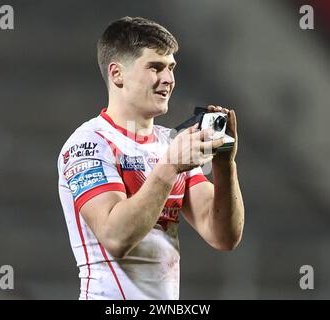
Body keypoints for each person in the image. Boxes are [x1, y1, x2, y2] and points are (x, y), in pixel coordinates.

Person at [57, 16, 244, 300]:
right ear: (117, 74)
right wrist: (169, 167)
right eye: (155, 67)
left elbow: (223, 236)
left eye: (171, 68)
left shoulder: (171, 143)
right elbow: (116, 237)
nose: (168, 79)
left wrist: (224, 166)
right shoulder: (89, 144)